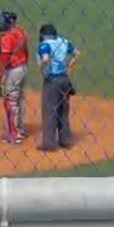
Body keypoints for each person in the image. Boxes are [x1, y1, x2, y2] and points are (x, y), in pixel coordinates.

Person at [36, 23, 81, 152]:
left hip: (52, 81)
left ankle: (49, 143)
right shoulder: (63, 41)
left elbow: (45, 59)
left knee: (49, 110)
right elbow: (77, 54)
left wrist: (41, 69)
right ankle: (65, 140)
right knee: (63, 110)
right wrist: (69, 66)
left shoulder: (45, 45)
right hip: (65, 80)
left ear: (44, 35)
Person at [0, 11, 29, 144]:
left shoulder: (6, 38)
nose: (0, 24)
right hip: (23, 68)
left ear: (10, 22)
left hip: (13, 71)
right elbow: (26, 50)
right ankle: (21, 130)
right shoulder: (21, 32)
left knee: (10, 101)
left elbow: (4, 60)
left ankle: (15, 134)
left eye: (3, 21)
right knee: (19, 100)